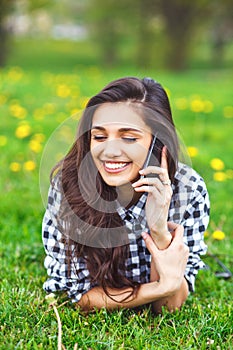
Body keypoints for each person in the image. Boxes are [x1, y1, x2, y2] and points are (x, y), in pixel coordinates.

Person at [42, 77, 210, 314]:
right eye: (99, 137)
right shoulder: (69, 186)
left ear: (157, 143)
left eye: (129, 138)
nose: (109, 151)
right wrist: (161, 287)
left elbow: (168, 308)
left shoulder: (188, 189)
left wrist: (160, 232)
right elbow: (81, 298)